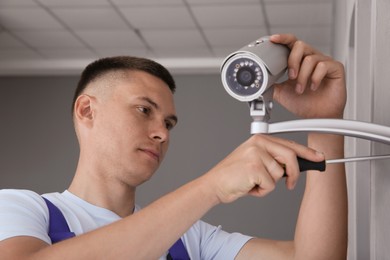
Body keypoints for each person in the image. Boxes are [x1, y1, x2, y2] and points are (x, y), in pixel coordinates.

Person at [0, 34, 347, 259]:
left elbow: (317, 257)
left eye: (168, 123)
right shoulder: (23, 209)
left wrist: (325, 122)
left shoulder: (188, 237)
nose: (162, 134)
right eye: (144, 110)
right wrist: (212, 186)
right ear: (87, 111)